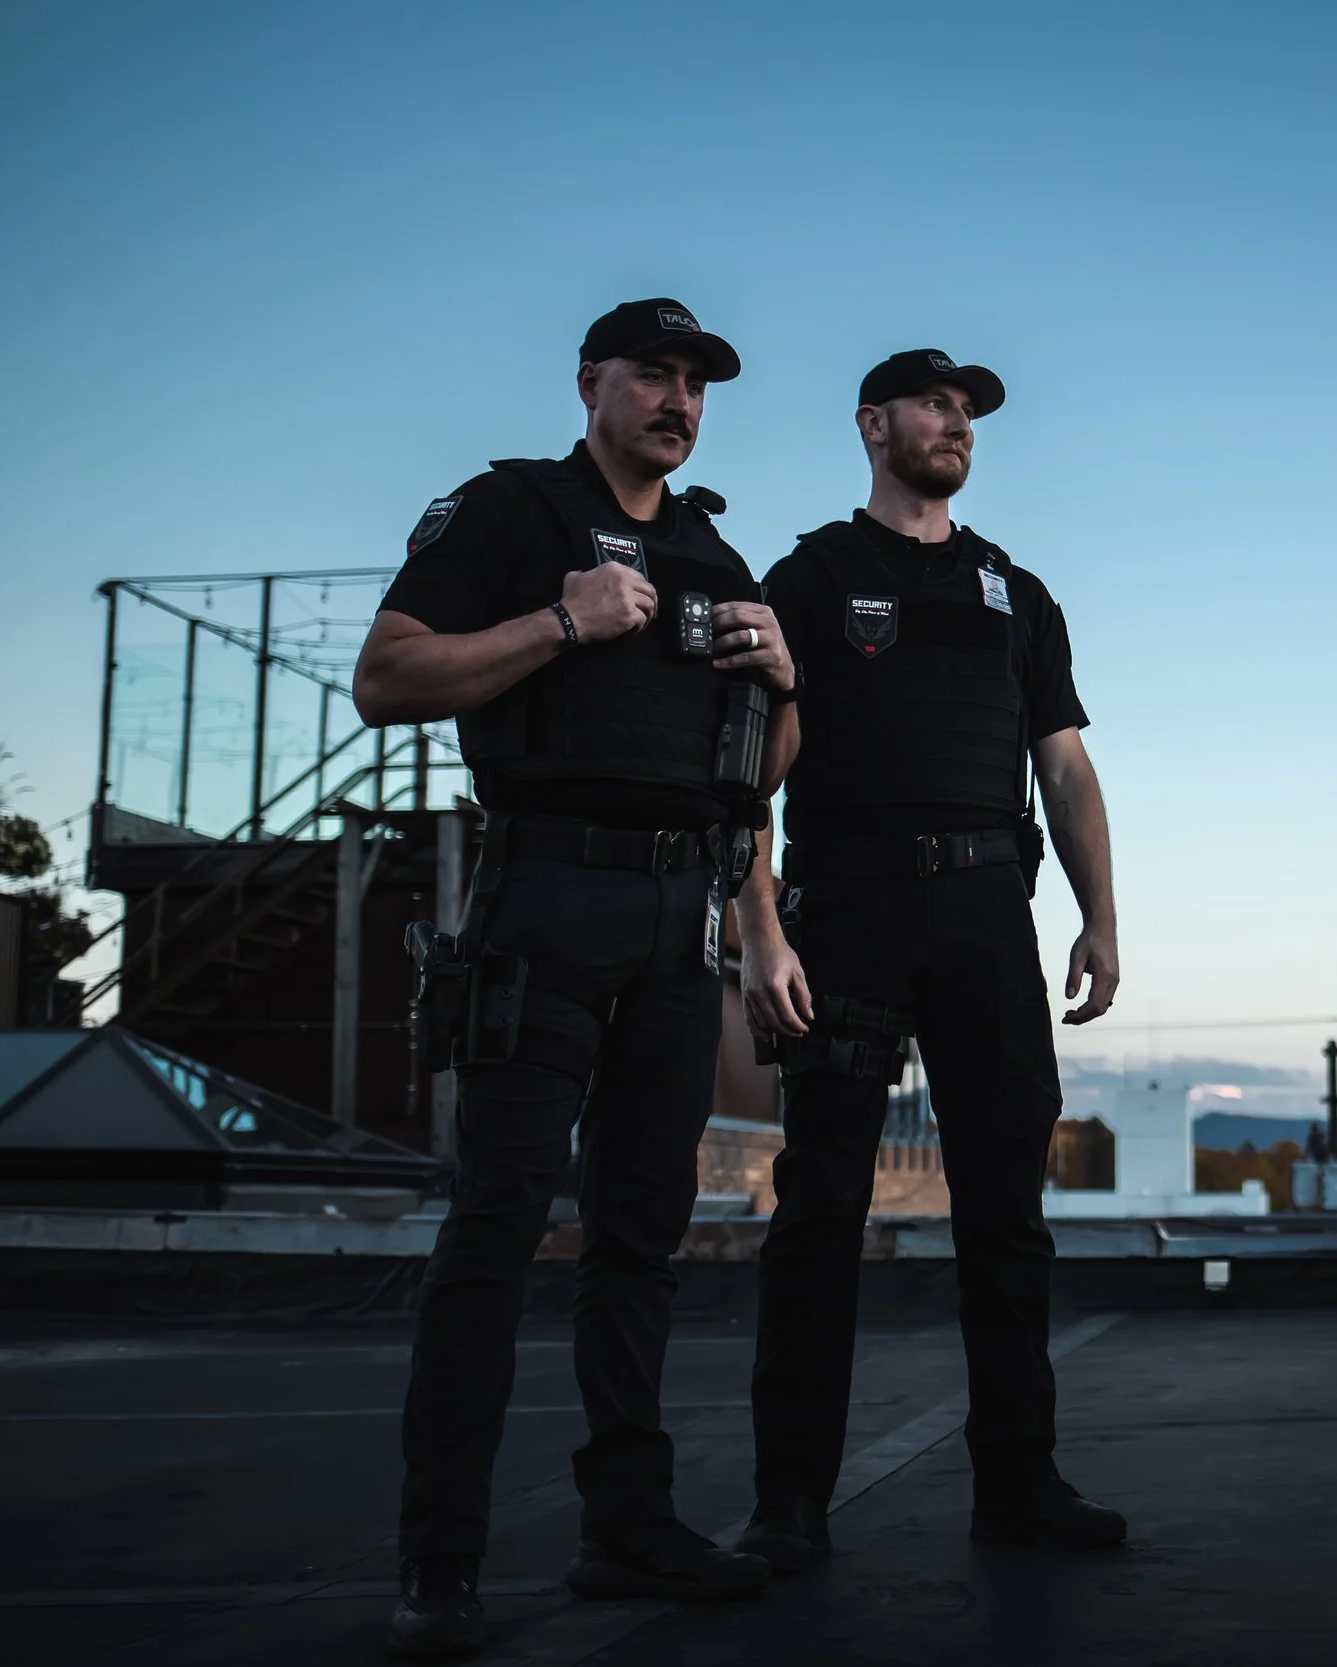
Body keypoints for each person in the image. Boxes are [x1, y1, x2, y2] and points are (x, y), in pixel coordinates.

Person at [353, 298, 798, 1657]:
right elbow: (386, 678)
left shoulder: (711, 548)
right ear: (591, 382)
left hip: (678, 926)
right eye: (651, 376)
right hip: (545, 900)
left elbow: (748, 782)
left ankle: (628, 1527)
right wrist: (561, 614)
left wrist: (787, 692)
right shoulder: (511, 512)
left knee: (640, 1242)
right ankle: (441, 1559)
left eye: (695, 383)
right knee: (493, 1232)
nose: (677, 399)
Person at [733, 348, 1123, 1571]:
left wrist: (1101, 915)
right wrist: (759, 926)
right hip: (845, 906)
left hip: (986, 915)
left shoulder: (1016, 591)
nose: (957, 422)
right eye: (935, 403)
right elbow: (748, 764)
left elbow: (1061, 761)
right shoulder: (809, 576)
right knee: (819, 1211)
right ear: (873, 423)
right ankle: (788, 1502)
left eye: (968, 411)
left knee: (1005, 1214)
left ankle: (1019, 1486)